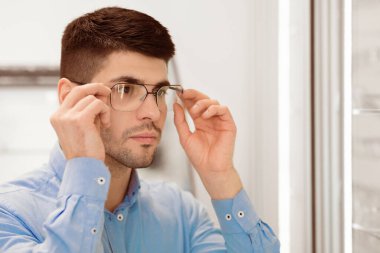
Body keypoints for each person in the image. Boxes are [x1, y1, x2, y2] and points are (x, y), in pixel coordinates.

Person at [0, 7, 280, 253]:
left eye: (159, 92)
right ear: (69, 97)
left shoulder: (182, 214)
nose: (153, 112)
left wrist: (221, 176)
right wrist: (84, 166)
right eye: (125, 89)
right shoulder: (9, 214)